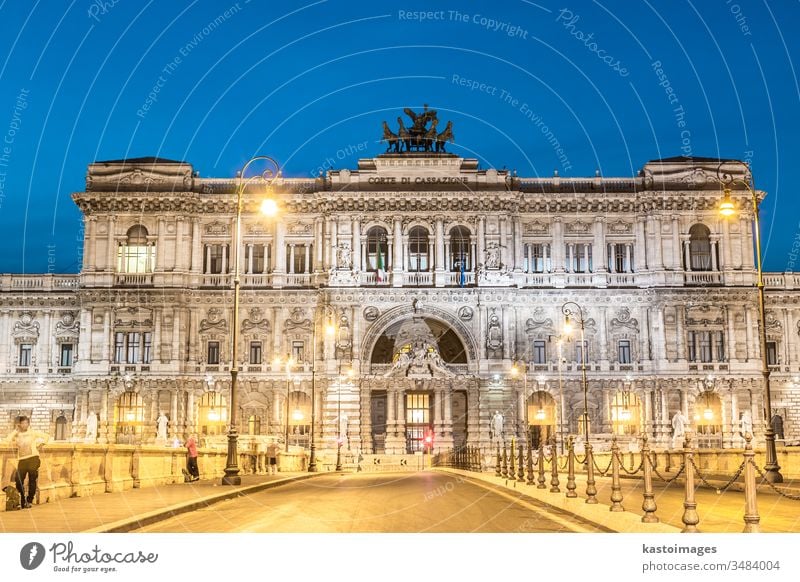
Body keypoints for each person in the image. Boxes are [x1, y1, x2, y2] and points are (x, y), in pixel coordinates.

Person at [5, 415, 49, 508]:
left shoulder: (32, 432)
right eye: (22, 423)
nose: (24, 425)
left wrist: (41, 445)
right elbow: (7, 440)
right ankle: (22, 500)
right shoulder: (17, 434)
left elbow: (46, 436)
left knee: (32, 480)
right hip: (22, 459)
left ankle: (29, 500)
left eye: (26, 423)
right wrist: (15, 431)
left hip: (33, 458)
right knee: (18, 480)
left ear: (28, 424)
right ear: (20, 424)